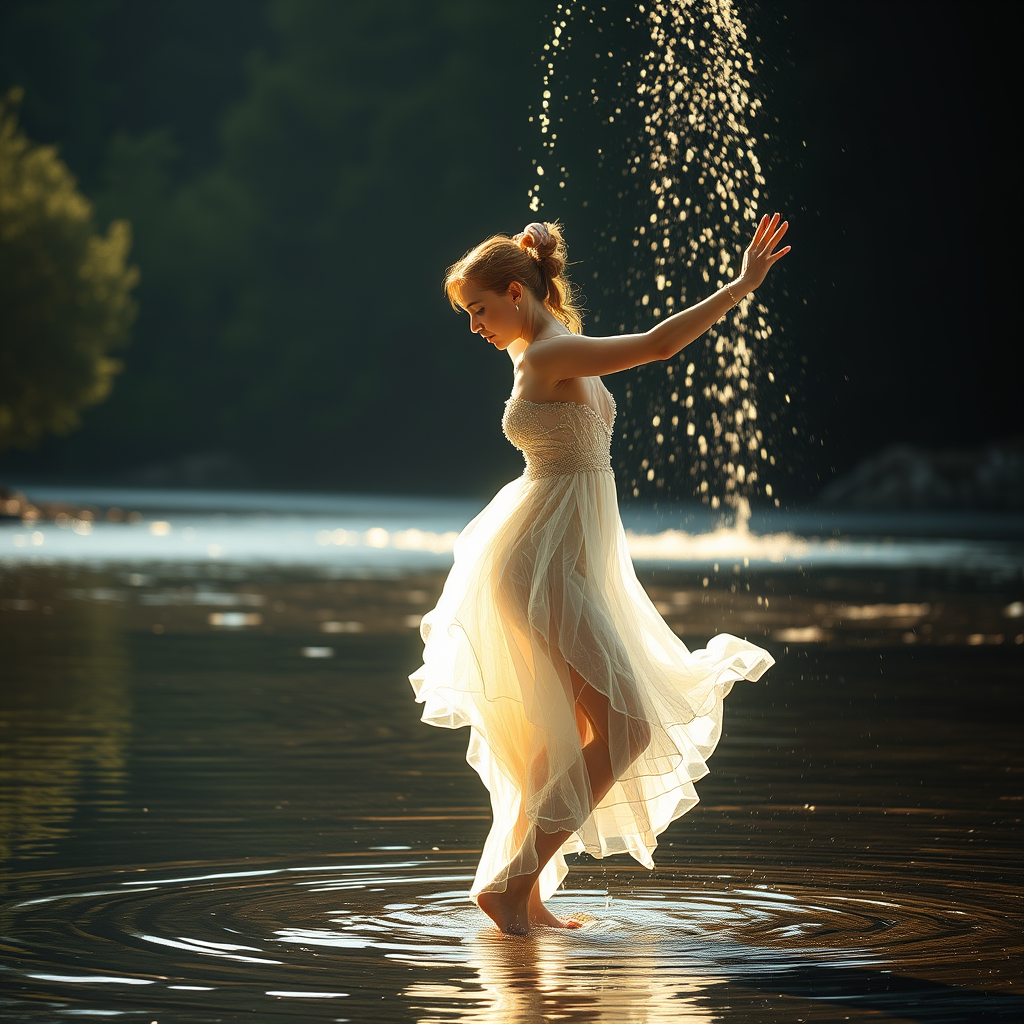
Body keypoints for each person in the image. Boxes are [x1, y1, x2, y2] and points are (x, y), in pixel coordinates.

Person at [409, 213, 790, 935]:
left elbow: (657, 345)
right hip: (539, 561)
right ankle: (513, 886)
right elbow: (604, 340)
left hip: (557, 559)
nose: (474, 328)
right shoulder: (541, 354)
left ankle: (521, 891)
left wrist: (741, 287)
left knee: (588, 729)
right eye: (468, 315)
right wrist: (529, 266)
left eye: (479, 310)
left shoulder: (552, 351)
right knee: (627, 726)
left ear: (518, 293)